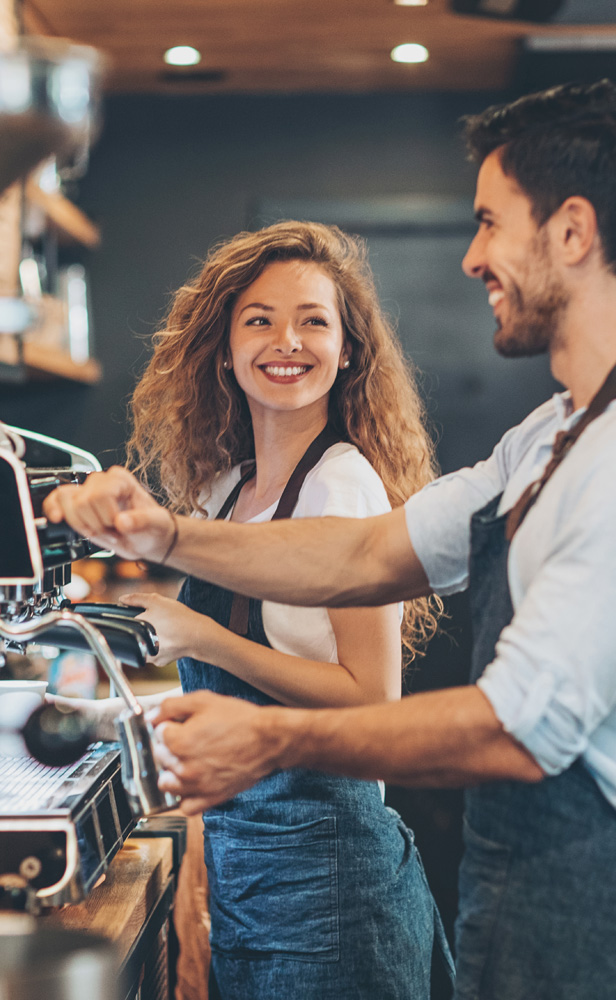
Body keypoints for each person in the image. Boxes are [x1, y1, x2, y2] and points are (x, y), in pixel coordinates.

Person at [44, 79, 616, 999]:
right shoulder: (546, 440)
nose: (472, 258)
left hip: (581, 909)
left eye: (489, 223)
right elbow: (364, 554)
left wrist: (266, 736)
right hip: (505, 898)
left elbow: (518, 727)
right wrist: (166, 533)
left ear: (573, 232)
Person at [55, 221, 453, 999]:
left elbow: (373, 704)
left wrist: (204, 636)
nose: (287, 341)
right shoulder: (227, 489)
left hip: (330, 879)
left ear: (347, 353)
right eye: (260, 319)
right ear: (226, 350)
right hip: (252, 872)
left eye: (314, 320)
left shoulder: (342, 485)